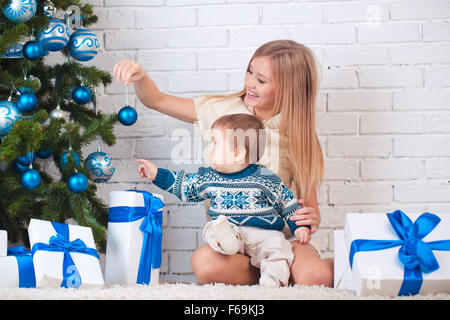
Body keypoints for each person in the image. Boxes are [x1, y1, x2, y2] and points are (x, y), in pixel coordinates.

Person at [113, 39, 333, 287]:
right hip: (234, 247)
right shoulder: (221, 110)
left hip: (276, 243)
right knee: (205, 263)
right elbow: (157, 100)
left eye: (261, 80)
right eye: (250, 71)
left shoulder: (300, 137)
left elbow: (309, 208)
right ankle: (273, 278)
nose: (250, 82)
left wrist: (310, 219)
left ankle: (286, 270)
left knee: (316, 277)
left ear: (288, 88)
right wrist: (140, 76)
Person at [137, 113, 311, 287]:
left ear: (237, 154)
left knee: (277, 248)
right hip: (230, 231)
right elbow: (184, 185)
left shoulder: (264, 177)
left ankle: (273, 278)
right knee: (213, 228)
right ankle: (227, 242)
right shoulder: (208, 177)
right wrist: (157, 174)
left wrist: (299, 227)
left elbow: (287, 202)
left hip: (263, 235)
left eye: (215, 143)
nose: (209, 149)